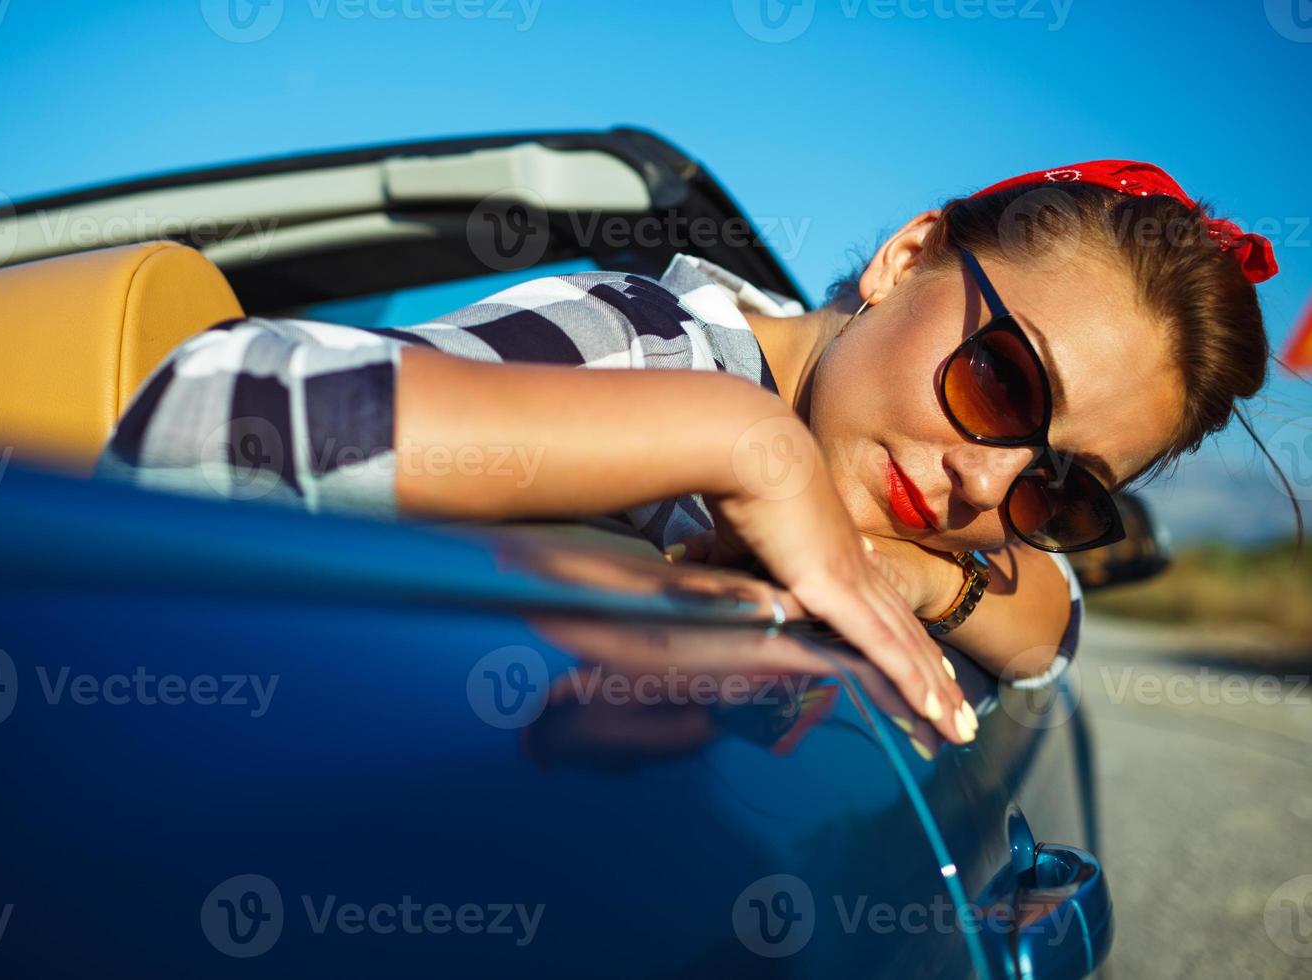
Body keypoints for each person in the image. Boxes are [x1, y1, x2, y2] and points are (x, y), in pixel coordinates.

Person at [99, 159, 1284, 746]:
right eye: (1004, 377)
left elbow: (1051, 624)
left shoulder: (927, 517)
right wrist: (744, 446)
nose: (987, 481)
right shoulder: (649, 345)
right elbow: (207, 413)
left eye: (1062, 489)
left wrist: (920, 578)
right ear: (906, 257)